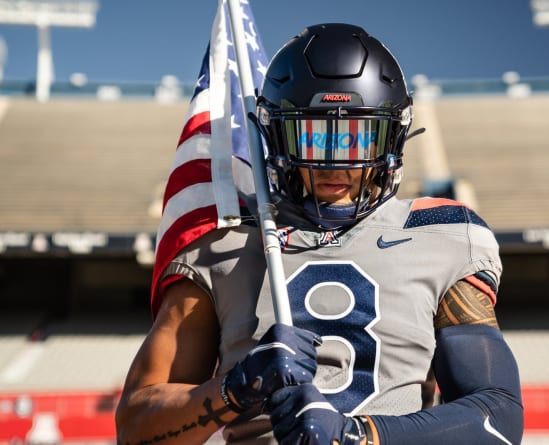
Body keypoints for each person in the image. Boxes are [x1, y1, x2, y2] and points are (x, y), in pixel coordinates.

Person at [115, 23, 524, 445]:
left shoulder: (439, 235)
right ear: (275, 136)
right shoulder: (223, 246)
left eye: (356, 138)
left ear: (392, 138)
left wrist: (357, 437)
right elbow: (134, 431)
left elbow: (497, 417)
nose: (333, 164)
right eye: (311, 136)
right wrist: (233, 389)